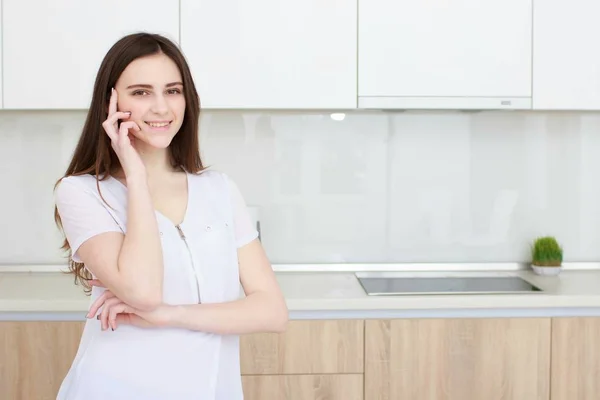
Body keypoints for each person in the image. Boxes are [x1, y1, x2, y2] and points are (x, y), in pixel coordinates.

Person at [53, 32, 288, 400]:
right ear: (111, 102)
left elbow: (272, 311)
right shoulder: (82, 192)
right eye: (141, 92)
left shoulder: (219, 189)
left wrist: (171, 314)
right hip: (115, 388)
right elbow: (144, 292)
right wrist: (136, 174)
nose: (161, 108)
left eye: (173, 91)